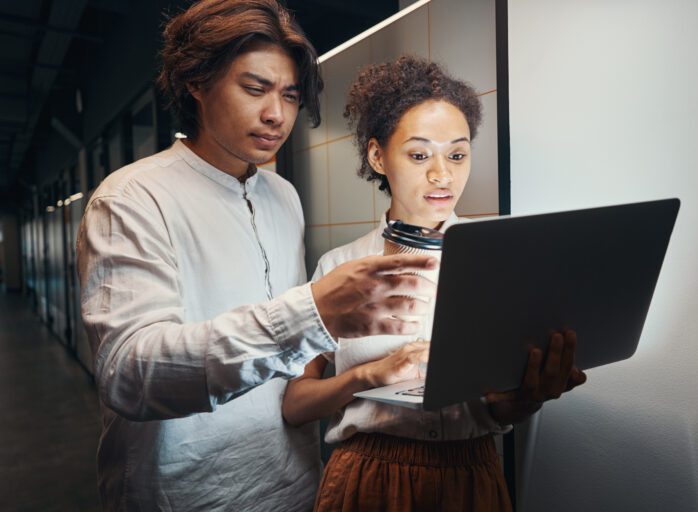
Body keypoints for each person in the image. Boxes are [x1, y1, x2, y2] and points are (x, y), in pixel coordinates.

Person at [76, 2, 438, 511]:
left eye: (290, 95)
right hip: (185, 493)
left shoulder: (282, 196)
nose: (277, 114)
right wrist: (312, 311)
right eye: (254, 89)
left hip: (292, 480)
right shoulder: (133, 198)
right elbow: (129, 374)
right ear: (196, 84)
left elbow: (291, 372)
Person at [282, 56, 588, 512]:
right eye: (420, 154)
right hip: (366, 481)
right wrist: (367, 375)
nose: (443, 175)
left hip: (474, 479)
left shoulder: (505, 263)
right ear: (377, 155)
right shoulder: (339, 265)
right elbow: (294, 404)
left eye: (458, 154)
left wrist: (527, 399)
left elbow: (500, 409)